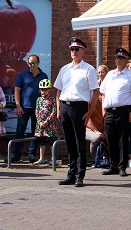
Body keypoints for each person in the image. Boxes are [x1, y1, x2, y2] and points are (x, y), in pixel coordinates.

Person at [54, 37, 99, 187]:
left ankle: (80, 175)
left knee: (80, 143)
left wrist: (90, 112)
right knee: (69, 143)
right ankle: (71, 173)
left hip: (79, 107)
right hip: (65, 107)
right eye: (72, 49)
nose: (73, 52)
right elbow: (58, 91)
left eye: (76, 49)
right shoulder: (64, 69)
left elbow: (95, 92)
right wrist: (59, 107)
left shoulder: (89, 69)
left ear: (83, 51)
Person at [100, 48, 131, 177]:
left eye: (121, 58)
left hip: (123, 110)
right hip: (109, 111)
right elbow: (103, 92)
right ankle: (113, 165)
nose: (118, 60)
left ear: (126, 61)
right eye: (117, 58)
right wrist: (103, 109)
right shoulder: (110, 74)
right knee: (110, 138)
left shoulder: (130, 75)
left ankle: (122, 166)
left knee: (123, 139)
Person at [11, 54, 48, 163]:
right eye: (30, 63)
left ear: (38, 63)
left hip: (38, 109)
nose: (32, 65)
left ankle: (31, 155)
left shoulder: (43, 75)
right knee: (20, 130)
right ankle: (16, 154)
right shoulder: (22, 75)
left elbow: (46, 92)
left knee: (35, 132)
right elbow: (16, 91)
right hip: (24, 108)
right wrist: (18, 106)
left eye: (34, 63)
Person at [32, 79, 58, 165]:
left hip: (49, 124)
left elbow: (54, 112)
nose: (43, 91)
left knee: (51, 140)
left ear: (49, 90)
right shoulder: (38, 100)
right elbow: (37, 111)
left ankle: (53, 159)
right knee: (41, 141)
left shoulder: (52, 100)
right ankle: (41, 158)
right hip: (41, 124)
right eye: (42, 89)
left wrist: (47, 121)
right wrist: (39, 121)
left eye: (45, 89)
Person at [86, 65, 107, 163]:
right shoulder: (90, 103)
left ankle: (107, 160)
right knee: (96, 138)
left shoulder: (105, 104)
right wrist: (97, 131)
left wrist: (105, 131)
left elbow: (106, 118)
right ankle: (93, 159)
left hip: (101, 129)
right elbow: (88, 119)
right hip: (89, 129)